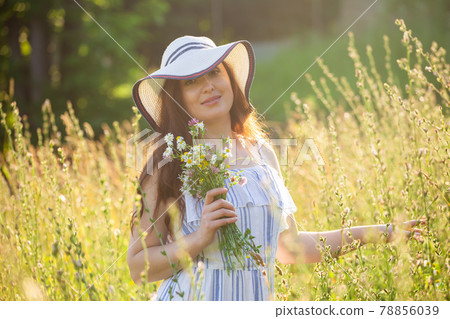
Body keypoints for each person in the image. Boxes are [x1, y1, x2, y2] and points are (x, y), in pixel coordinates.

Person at [127, 35, 423, 301]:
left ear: (229, 79)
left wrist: (374, 233)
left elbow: (291, 248)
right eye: (191, 81)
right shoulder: (166, 166)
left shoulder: (262, 154)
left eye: (214, 72)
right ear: (177, 99)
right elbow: (138, 267)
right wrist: (198, 238)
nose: (208, 86)